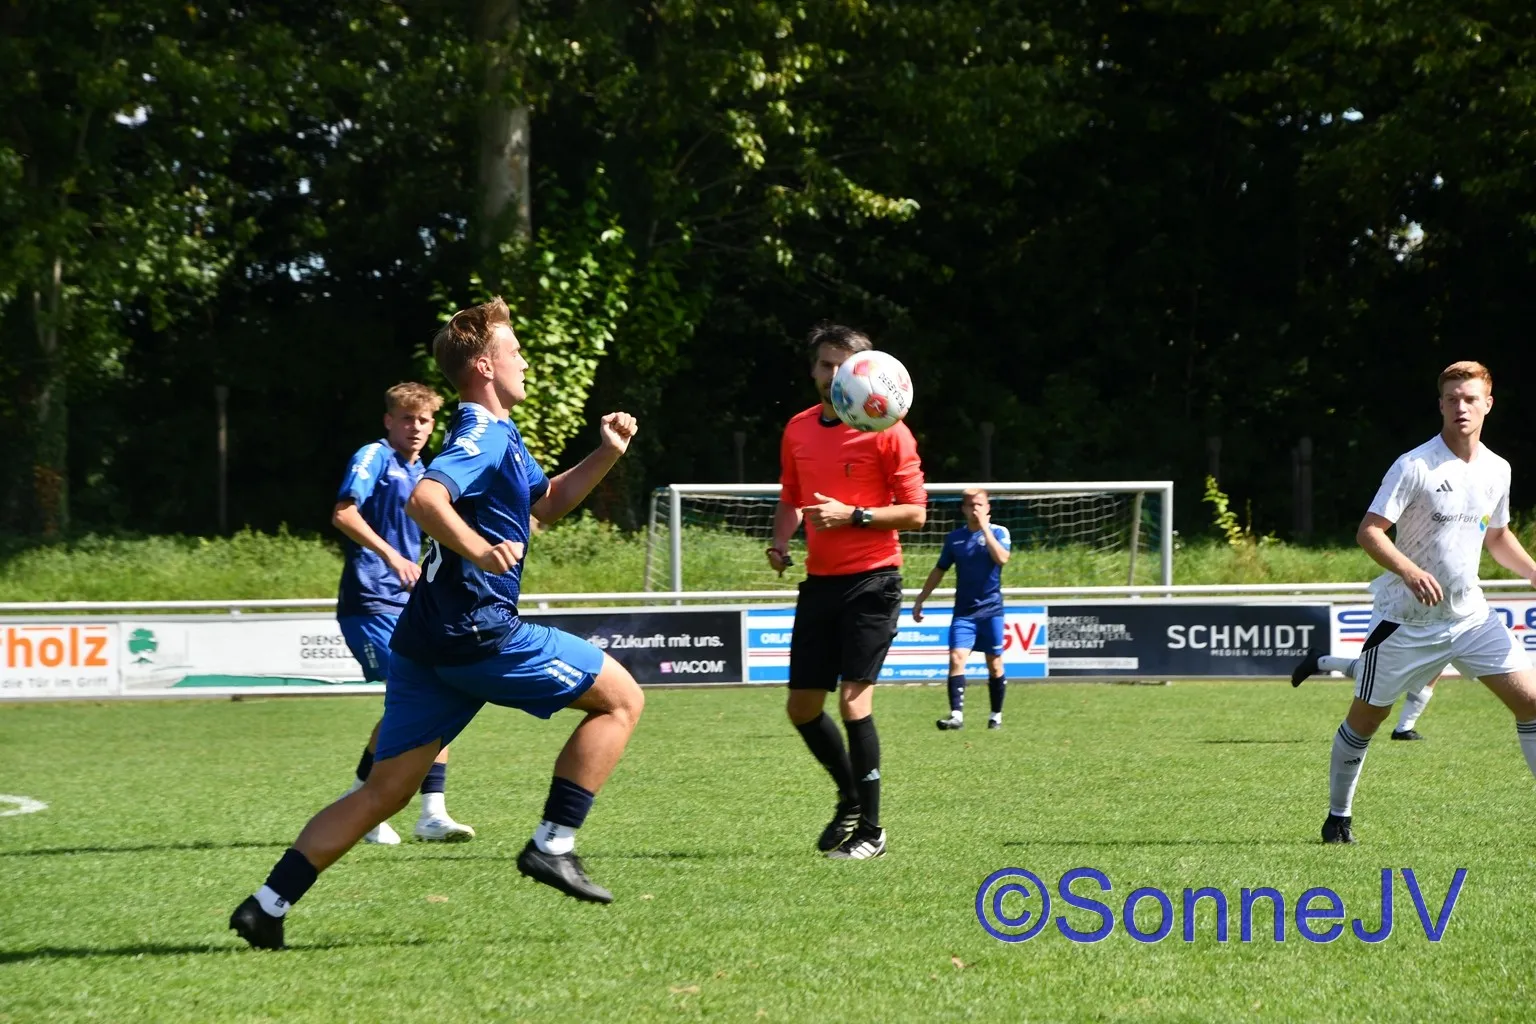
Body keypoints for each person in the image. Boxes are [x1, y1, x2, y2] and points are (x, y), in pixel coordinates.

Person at [231, 298, 646, 949]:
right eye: (515, 352)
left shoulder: (499, 435)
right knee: (622, 700)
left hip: (426, 641)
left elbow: (547, 504)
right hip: (477, 632)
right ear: (484, 366)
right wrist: (478, 550)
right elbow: (426, 498)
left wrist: (606, 453)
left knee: (384, 792)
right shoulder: (482, 434)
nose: (525, 362)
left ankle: (266, 905)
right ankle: (553, 845)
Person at [1290, 361, 1536, 844]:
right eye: (1452, 399)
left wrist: (1532, 571)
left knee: (1531, 702)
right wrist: (1409, 570)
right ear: (1440, 405)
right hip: (1406, 621)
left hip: (1471, 617)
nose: (1461, 407)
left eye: (1470, 398)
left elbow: (1497, 536)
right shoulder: (1415, 465)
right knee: (1367, 719)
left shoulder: (1498, 468)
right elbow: (1370, 532)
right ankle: (1338, 817)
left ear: (1488, 404)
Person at [767, 323, 927, 861]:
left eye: (841, 365)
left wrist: (854, 515)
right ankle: (851, 796)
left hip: (873, 580)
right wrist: (780, 542)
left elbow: (916, 514)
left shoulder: (890, 430)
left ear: (864, 370)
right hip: (820, 581)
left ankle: (873, 833)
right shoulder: (797, 428)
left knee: (853, 701)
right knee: (801, 707)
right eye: (823, 364)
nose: (831, 374)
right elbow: (791, 497)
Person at [331, 382, 473, 844]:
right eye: (407, 418)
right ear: (389, 420)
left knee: (436, 694)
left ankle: (425, 812)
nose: (415, 427)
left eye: (424, 420)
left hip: (408, 603)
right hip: (370, 600)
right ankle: (372, 807)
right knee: (420, 698)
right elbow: (344, 514)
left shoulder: (426, 472)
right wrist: (393, 556)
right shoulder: (374, 457)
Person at [912, 488, 1011, 731]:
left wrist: (985, 529)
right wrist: (921, 599)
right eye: (970, 505)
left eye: (980, 505)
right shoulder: (954, 538)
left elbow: (1002, 559)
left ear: (988, 508)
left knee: (994, 664)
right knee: (956, 658)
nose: (975, 509)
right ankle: (956, 715)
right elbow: (939, 569)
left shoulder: (999, 532)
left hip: (991, 610)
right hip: (964, 613)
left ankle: (996, 715)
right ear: (963, 509)